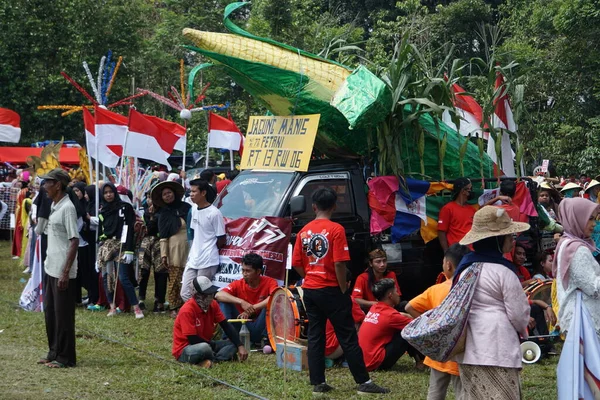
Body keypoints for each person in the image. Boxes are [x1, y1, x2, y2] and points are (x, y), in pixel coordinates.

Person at [292, 187, 389, 395]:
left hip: (310, 289)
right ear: (334, 206)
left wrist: (309, 275)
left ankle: (318, 383)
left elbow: (297, 263)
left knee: (316, 336)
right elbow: (339, 264)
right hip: (332, 289)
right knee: (348, 336)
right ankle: (363, 382)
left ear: (314, 206)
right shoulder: (336, 230)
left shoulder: (304, 231)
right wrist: (343, 287)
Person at [454, 206, 531, 399]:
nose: (512, 240)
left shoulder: (464, 270)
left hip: (469, 348)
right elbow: (518, 315)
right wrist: (524, 329)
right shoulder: (504, 272)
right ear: (498, 240)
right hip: (498, 348)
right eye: (509, 236)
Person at [406, 244, 469, 400]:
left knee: (435, 393)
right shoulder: (469, 289)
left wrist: (431, 326)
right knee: (462, 393)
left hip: (438, 352)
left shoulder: (436, 290)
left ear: (448, 265)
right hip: (460, 353)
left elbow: (409, 307)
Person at [37, 169, 79, 368]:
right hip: (50, 268)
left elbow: (74, 241)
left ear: (58, 185)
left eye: (48, 182)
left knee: (63, 316)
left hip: (63, 271)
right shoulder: (55, 205)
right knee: (50, 313)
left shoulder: (68, 208)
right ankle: (53, 351)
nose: (44, 186)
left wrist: (65, 272)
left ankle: (65, 357)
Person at [172, 276, 248, 368]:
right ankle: (218, 358)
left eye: (211, 293)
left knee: (233, 343)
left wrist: (240, 345)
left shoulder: (213, 304)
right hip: (187, 348)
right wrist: (212, 345)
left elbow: (226, 325)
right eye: (206, 294)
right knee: (204, 347)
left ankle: (213, 360)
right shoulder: (187, 310)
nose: (209, 297)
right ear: (196, 295)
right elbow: (192, 339)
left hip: (209, 343)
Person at [553, 198, 600, 336]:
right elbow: (594, 288)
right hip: (585, 322)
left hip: (579, 320)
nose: (594, 224)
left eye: (594, 219)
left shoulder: (566, 242)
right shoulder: (577, 250)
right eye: (589, 219)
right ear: (576, 218)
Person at [97, 182, 143, 319]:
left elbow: (129, 229)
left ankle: (136, 308)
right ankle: (112, 306)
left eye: (110, 192)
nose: (108, 195)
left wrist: (129, 250)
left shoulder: (125, 208)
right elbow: (100, 231)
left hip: (122, 245)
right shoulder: (103, 211)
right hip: (106, 246)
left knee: (123, 277)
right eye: (105, 193)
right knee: (107, 277)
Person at [215, 252, 278, 345]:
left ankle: (265, 340)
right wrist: (241, 302)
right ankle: (227, 338)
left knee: (272, 302)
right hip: (241, 326)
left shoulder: (270, 282)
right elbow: (218, 295)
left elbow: (276, 296)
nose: (244, 274)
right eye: (243, 270)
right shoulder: (238, 283)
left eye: (248, 271)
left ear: (258, 271)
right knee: (224, 302)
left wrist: (251, 309)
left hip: (259, 327)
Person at [181, 179, 226, 303]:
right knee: (185, 293)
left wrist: (210, 248)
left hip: (208, 260)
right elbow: (195, 232)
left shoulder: (214, 213)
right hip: (194, 259)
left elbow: (221, 238)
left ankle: (205, 319)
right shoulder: (194, 209)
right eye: (190, 191)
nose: (191, 194)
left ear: (203, 193)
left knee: (201, 293)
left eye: (194, 191)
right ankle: (198, 317)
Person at [358, 278, 417, 371]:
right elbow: (418, 324)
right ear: (390, 295)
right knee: (408, 331)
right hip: (374, 364)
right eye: (396, 291)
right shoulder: (391, 316)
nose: (398, 294)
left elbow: (395, 315)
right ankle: (420, 361)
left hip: (362, 362)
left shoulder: (375, 307)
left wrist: (406, 315)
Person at [152, 181, 191, 318]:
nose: (167, 196)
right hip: (174, 248)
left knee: (189, 277)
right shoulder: (163, 214)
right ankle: (174, 306)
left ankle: (188, 305)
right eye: (164, 194)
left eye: (169, 193)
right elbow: (163, 236)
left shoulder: (187, 208)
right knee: (174, 278)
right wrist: (164, 254)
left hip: (190, 245)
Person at [325, 268, 364, 365]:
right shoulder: (348, 300)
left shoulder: (323, 297)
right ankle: (348, 358)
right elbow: (364, 320)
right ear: (349, 283)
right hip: (332, 349)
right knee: (361, 325)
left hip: (318, 348)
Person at [137, 189, 168, 313]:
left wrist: (153, 217)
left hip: (160, 242)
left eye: (153, 197)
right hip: (146, 242)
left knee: (160, 272)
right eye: (149, 197)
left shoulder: (164, 211)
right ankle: (141, 299)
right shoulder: (145, 212)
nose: (151, 200)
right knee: (143, 271)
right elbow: (147, 230)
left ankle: (159, 301)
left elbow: (159, 228)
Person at [438, 177, 476, 251]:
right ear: (463, 191)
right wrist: (446, 252)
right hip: (456, 252)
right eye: (469, 188)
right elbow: (441, 232)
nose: (471, 191)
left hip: (472, 251)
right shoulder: (447, 209)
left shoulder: (472, 209)